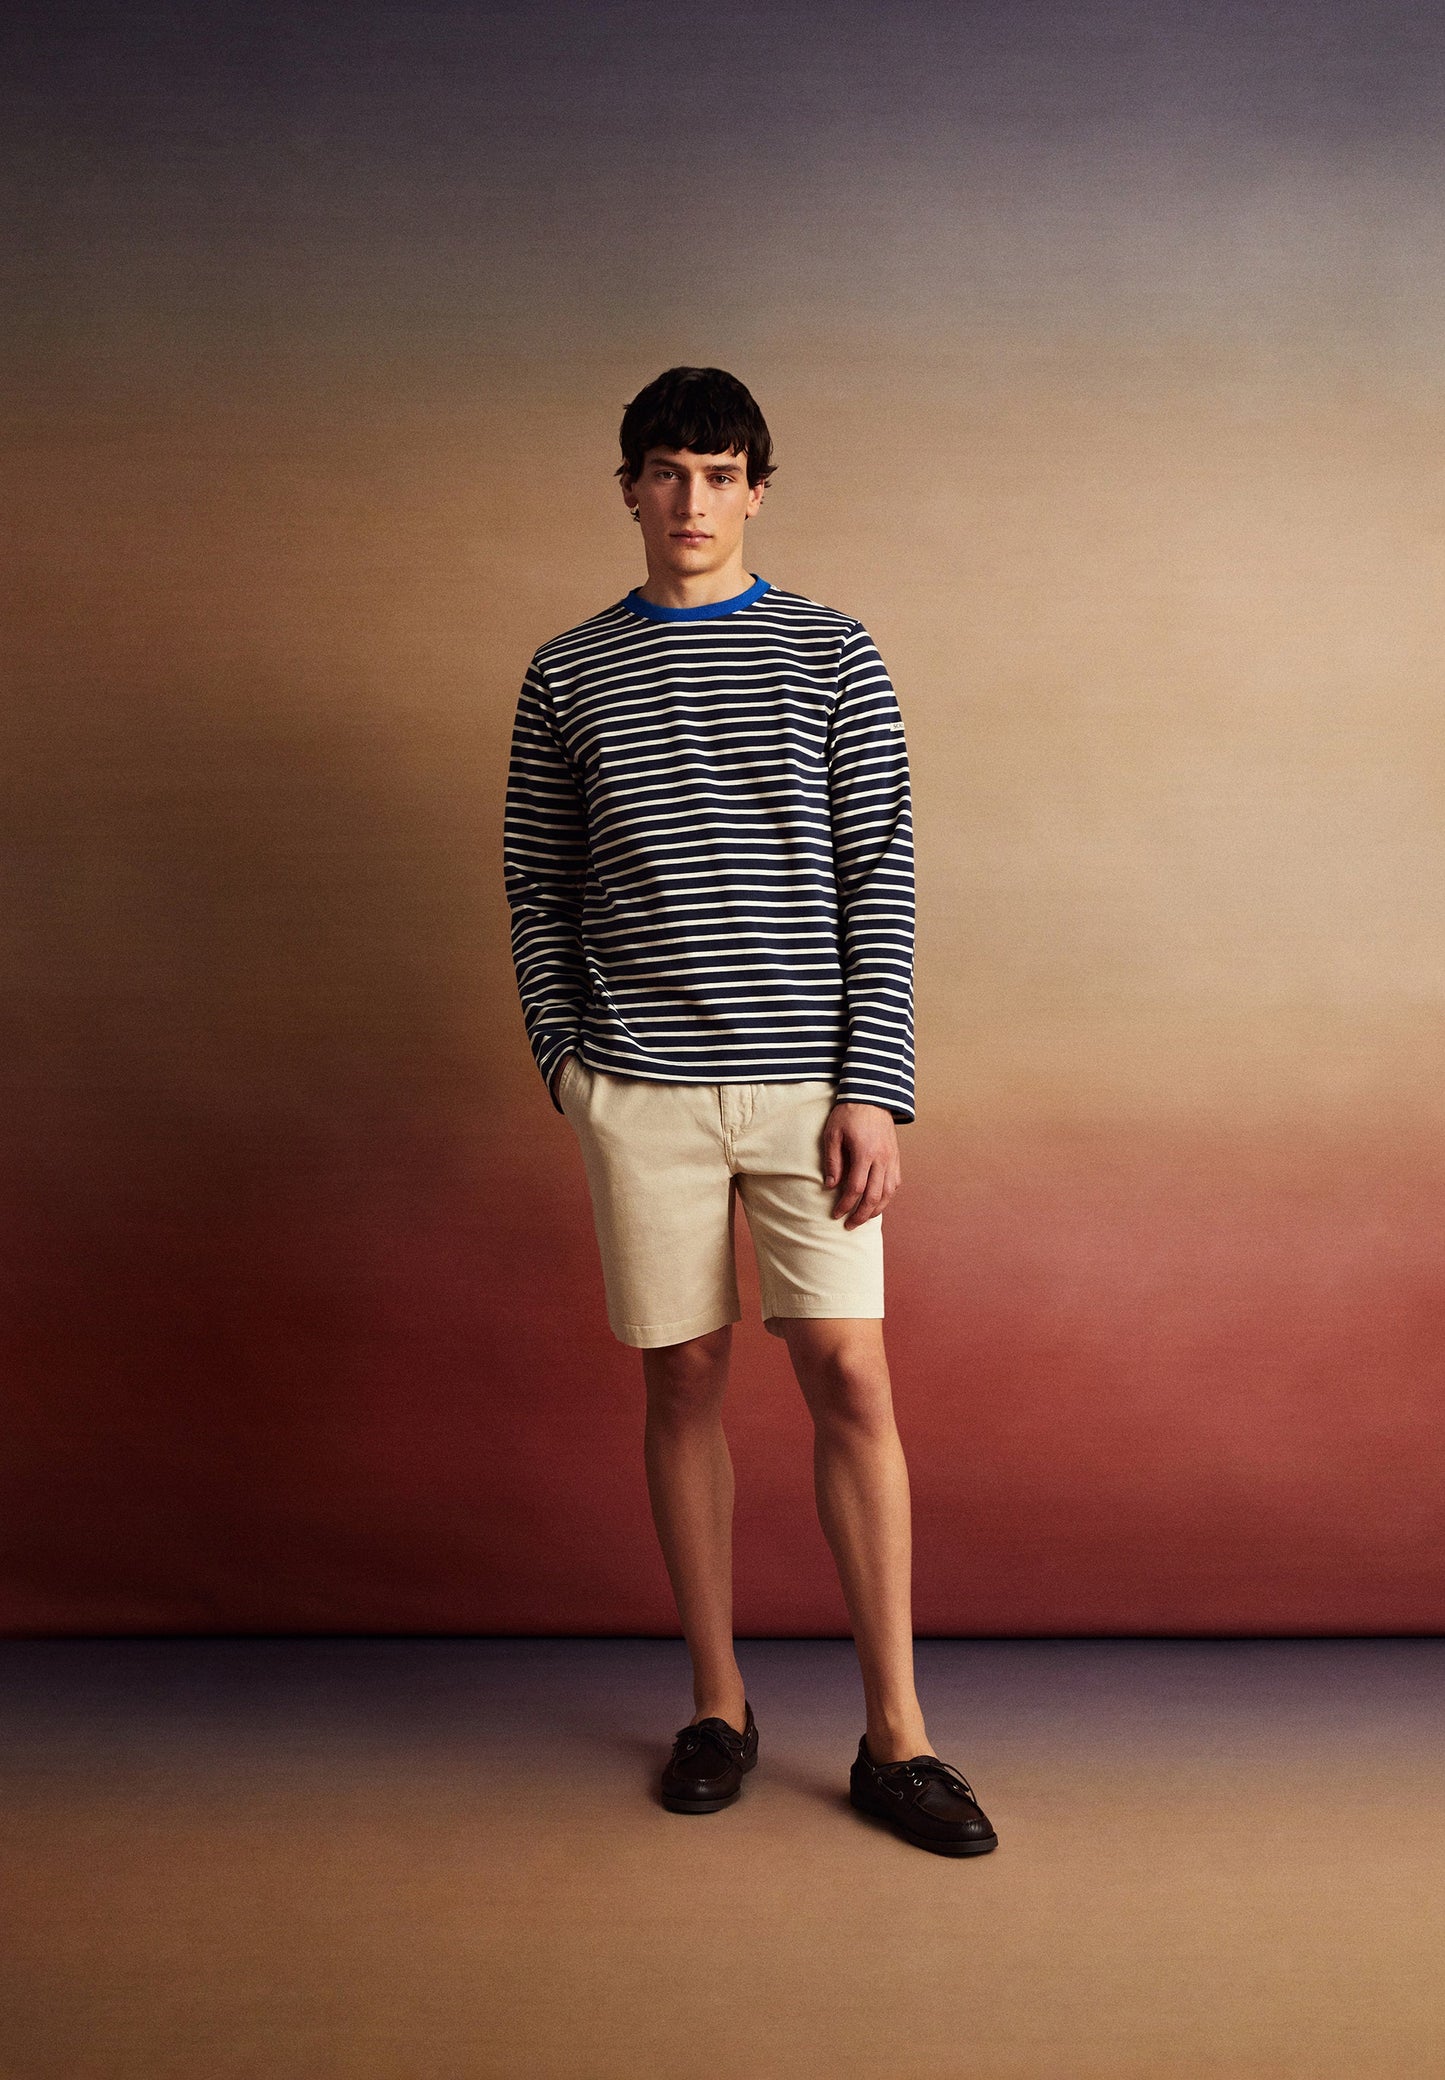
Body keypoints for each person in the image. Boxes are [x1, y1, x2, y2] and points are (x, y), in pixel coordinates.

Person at [502, 366, 997, 1857]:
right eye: (666, 470)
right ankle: (717, 1707)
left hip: (807, 1089)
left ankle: (897, 1737)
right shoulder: (566, 673)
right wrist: (570, 1069)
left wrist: (872, 1085)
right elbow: (537, 881)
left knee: (849, 1374)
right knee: (684, 1380)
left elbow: (879, 871)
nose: (692, 499)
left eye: (719, 473)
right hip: (638, 1089)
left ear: (757, 490)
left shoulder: (832, 652)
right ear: (630, 489)